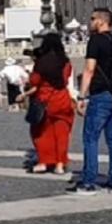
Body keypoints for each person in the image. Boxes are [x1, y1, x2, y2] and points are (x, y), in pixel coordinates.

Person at [69, 7, 112, 195]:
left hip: (101, 94)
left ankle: (88, 182)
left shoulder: (96, 40)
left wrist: (82, 95)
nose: (90, 21)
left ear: (101, 21)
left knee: (90, 138)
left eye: (93, 18)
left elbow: (89, 70)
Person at [19, 33, 74, 174]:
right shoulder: (65, 62)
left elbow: (34, 81)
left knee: (41, 133)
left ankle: (44, 162)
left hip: (45, 101)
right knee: (62, 134)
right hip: (62, 100)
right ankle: (60, 164)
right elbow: (66, 79)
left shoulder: (42, 63)